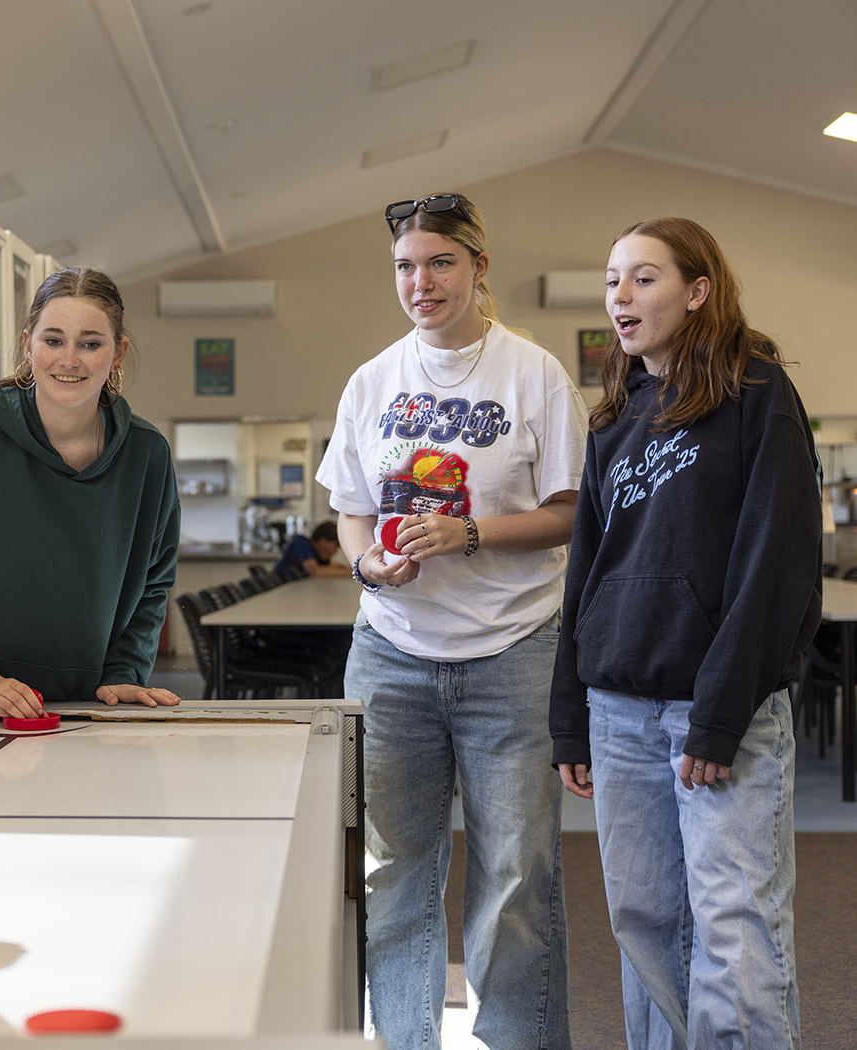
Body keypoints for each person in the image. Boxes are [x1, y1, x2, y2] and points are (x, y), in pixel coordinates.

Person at [316, 193, 587, 1050]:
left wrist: (470, 532)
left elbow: (575, 509)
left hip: (512, 656)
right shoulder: (372, 380)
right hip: (391, 656)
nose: (420, 281)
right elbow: (352, 514)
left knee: (513, 878)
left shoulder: (534, 374)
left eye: (438, 262)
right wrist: (367, 562)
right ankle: (405, 1040)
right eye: (405, 265)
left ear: (477, 268)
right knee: (391, 873)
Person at [550, 218, 819, 1050]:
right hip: (619, 708)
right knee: (643, 925)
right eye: (611, 281)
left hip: (717, 712)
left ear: (698, 291)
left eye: (643, 279)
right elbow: (585, 572)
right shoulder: (616, 417)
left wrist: (718, 711)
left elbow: (775, 565)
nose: (619, 298)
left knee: (736, 925)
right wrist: (571, 714)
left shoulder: (758, 393)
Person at [0, 266, 181, 716]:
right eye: (53, 341)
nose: (69, 359)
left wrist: (125, 672)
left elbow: (153, 583)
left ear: (118, 353)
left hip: (97, 697)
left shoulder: (148, 455)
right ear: (28, 345)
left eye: (91, 344)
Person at [273, 520, 350, 577]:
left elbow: (334, 566)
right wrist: (353, 572)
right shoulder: (301, 543)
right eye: (335, 546)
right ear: (323, 541)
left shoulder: (318, 554)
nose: (335, 551)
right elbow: (315, 572)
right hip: (278, 585)